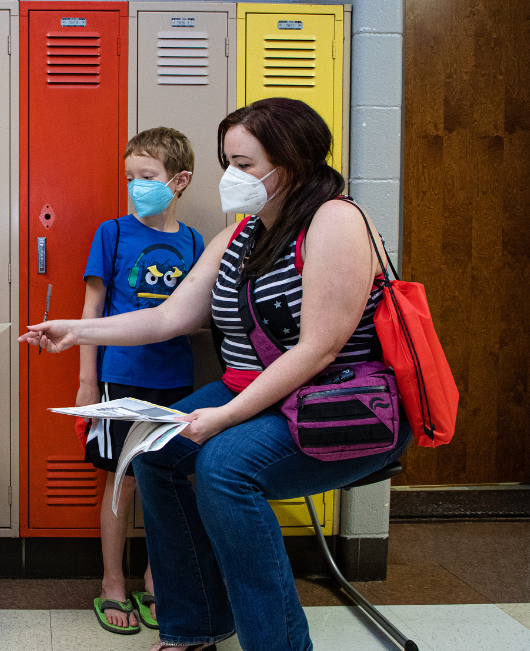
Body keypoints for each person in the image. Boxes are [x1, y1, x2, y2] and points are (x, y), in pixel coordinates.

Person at [21, 98, 411, 651]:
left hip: (336, 406)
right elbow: (167, 316)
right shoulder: (238, 237)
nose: (232, 177)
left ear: (291, 163)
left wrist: (225, 417)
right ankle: (197, 622)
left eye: (245, 164)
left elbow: (318, 350)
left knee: (226, 468)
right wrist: (76, 331)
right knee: (152, 446)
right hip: (258, 398)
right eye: (228, 162)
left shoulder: (337, 221)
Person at [78, 127, 204, 635]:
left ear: (179, 181)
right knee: (121, 482)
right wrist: (88, 380)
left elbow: (196, 315)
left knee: (165, 483)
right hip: (121, 379)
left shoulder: (195, 241)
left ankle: (156, 578)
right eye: (130, 176)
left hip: (176, 381)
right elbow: (89, 314)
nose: (135, 186)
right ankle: (112, 582)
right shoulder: (111, 234)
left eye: (146, 176)